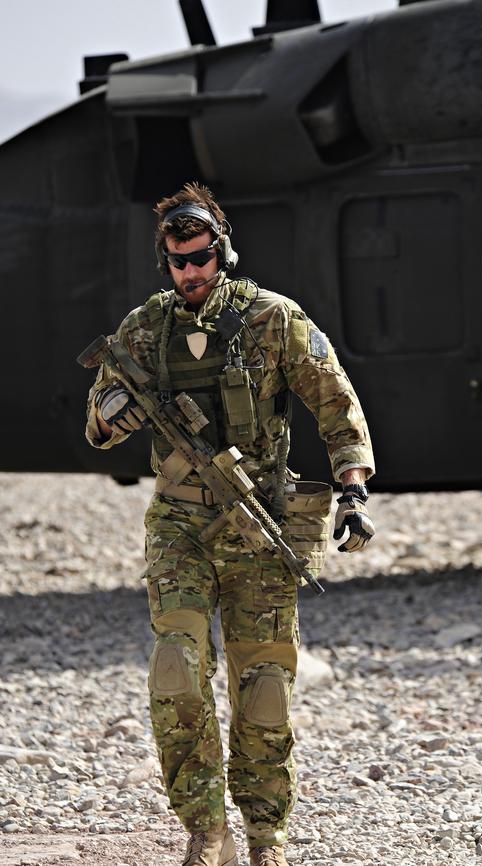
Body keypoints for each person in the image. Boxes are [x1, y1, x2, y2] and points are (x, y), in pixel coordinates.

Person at [84, 182, 376, 866]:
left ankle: (266, 835)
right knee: (177, 671)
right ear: (166, 262)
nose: (192, 273)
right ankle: (204, 828)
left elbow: (336, 405)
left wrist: (353, 493)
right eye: (179, 262)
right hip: (180, 524)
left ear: (223, 251)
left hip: (259, 525)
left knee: (265, 688)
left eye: (202, 258)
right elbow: (96, 427)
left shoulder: (273, 320)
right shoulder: (142, 330)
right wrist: (112, 415)